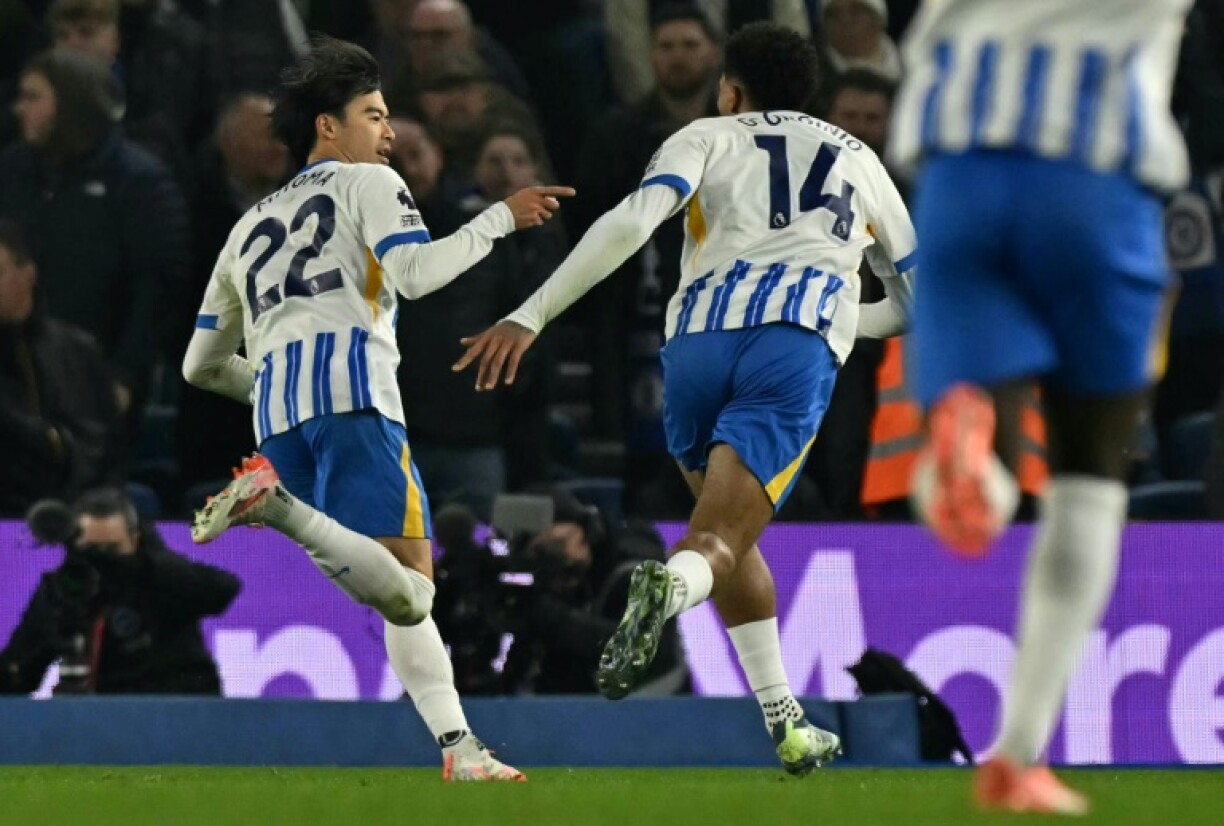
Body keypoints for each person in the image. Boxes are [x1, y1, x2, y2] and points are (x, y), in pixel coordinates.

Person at [455, 22, 916, 774]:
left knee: (725, 534)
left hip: (696, 350)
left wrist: (531, 314)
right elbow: (913, 304)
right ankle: (666, 591)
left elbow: (632, 222)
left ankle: (784, 720)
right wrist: (836, 315)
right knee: (717, 543)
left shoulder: (704, 135)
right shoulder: (858, 158)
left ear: (731, 90)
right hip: (788, 352)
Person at [179, 36, 572, 782]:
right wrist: (498, 218)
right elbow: (418, 275)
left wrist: (271, 383)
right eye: (374, 114)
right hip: (355, 397)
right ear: (328, 126)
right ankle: (276, 507)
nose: (388, 131)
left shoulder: (246, 226)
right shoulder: (369, 183)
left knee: (397, 597)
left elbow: (199, 365)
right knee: (414, 590)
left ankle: (460, 749)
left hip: (279, 424)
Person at [888, 0, 1194, 813]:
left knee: (968, 417)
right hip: (1094, 182)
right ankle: (1018, 752)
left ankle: (971, 450)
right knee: (1089, 476)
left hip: (958, 176)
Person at [0, 48, 189, 441]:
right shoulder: (11, 172)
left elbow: (159, 285)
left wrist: (126, 375)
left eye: (33, 97)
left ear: (71, 103)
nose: (19, 109)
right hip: (15, 376)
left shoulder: (138, 180)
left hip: (99, 380)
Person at [0, 487, 240, 695]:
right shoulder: (63, 591)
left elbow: (224, 589)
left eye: (112, 550)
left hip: (171, 711)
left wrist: (147, 564)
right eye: (91, 549)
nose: (103, 561)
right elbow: (17, 674)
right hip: (102, 716)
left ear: (135, 541)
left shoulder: (160, 580)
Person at [0, 221, 121, 516]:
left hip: (70, 512)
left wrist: (54, 443)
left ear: (28, 275)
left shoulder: (77, 351)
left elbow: (106, 453)